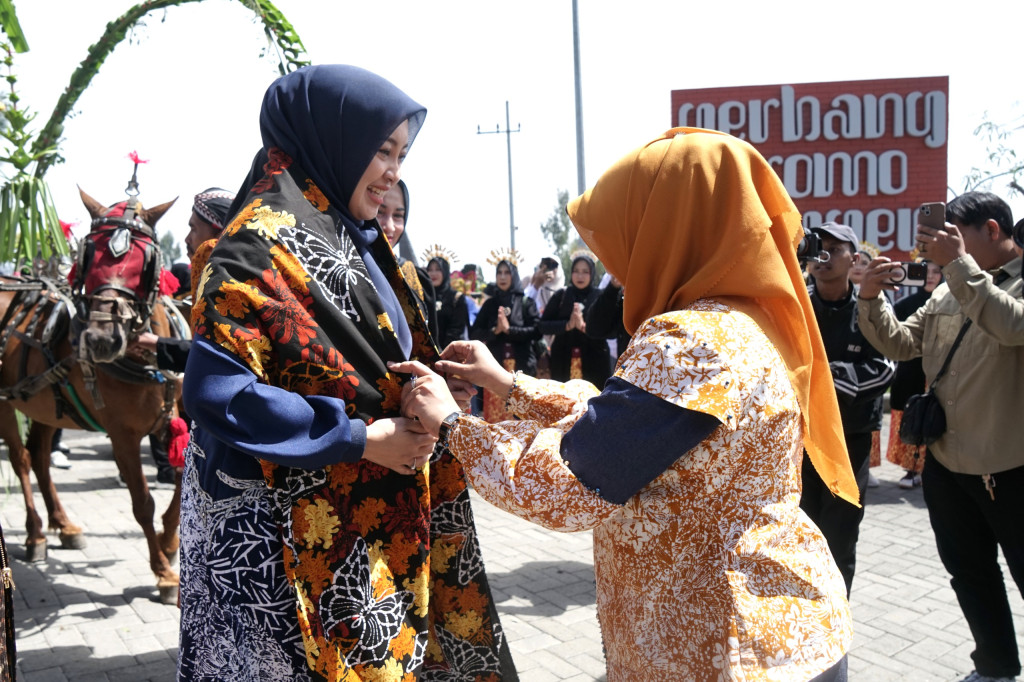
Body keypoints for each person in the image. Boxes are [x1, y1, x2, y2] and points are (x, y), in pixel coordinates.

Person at [395, 128, 858, 681]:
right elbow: (621, 420)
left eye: (629, 239)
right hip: (781, 629)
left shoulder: (693, 341)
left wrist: (451, 423)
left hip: (723, 646)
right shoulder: (748, 319)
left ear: (669, 231)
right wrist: (507, 384)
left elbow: (571, 481)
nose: (617, 265)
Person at [178, 65, 515, 681]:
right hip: (286, 542)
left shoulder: (353, 235)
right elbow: (215, 393)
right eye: (380, 151)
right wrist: (360, 437)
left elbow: (359, 357)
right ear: (330, 140)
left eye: (401, 154)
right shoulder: (256, 245)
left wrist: (434, 381)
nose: (393, 171)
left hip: (366, 525)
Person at [858, 191, 1024, 682]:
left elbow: (1011, 326)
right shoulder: (950, 288)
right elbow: (902, 342)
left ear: (991, 231)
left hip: (1010, 463)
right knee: (970, 572)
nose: (937, 245)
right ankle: (994, 666)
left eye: (951, 234)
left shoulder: (999, 284)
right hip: (947, 463)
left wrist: (959, 266)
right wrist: (870, 298)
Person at [802, 221, 895, 596]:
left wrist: (825, 376)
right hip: (800, 438)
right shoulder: (795, 305)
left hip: (850, 439)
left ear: (854, 258)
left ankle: (835, 620)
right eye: (817, 249)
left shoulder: (870, 307)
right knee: (800, 528)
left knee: (840, 534)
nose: (823, 257)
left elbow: (885, 368)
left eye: (834, 249)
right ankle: (800, 616)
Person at [885, 259, 943, 489]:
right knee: (913, 418)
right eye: (925, 272)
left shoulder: (953, 302)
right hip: (912, 373)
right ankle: (911, 468)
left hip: (941, 374)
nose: (931, 276)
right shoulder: (906, 305)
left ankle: (933, 470)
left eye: (937, 270)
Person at [470, 252, 540, 421]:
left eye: (506, 272)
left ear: (514, 275)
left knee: (522, 419)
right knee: (496, 420)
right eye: (499, 273)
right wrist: (495, 331)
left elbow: (537, 330)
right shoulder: (489, 304)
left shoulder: (526, 303)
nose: (502, 277)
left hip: (522, 368)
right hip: (495, 368)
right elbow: (475, 333)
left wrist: (510, 330)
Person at [538, 251, 611, 386]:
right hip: (562, 360)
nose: (580, 276)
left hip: (595, 360)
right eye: (576, 271)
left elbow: (609, 327)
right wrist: (567, 325)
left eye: (585, 272)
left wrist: (585, 326)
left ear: (592, 273)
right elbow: (542, 325)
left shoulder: (600, 296)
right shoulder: (561, 295)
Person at [377, 179, 437, 342]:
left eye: (398, 216)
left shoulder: (415, 277)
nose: (389, 226)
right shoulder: (345, 269)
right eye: (379, 212)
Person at [423, 244, 469, 348]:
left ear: (445, 271)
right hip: (425, 351)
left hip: (450, 352)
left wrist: (442, 352)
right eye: (430, 270)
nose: (433, 273)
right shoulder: (422, 296)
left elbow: (457, 329)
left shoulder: (456, 298)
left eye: (438, 269)